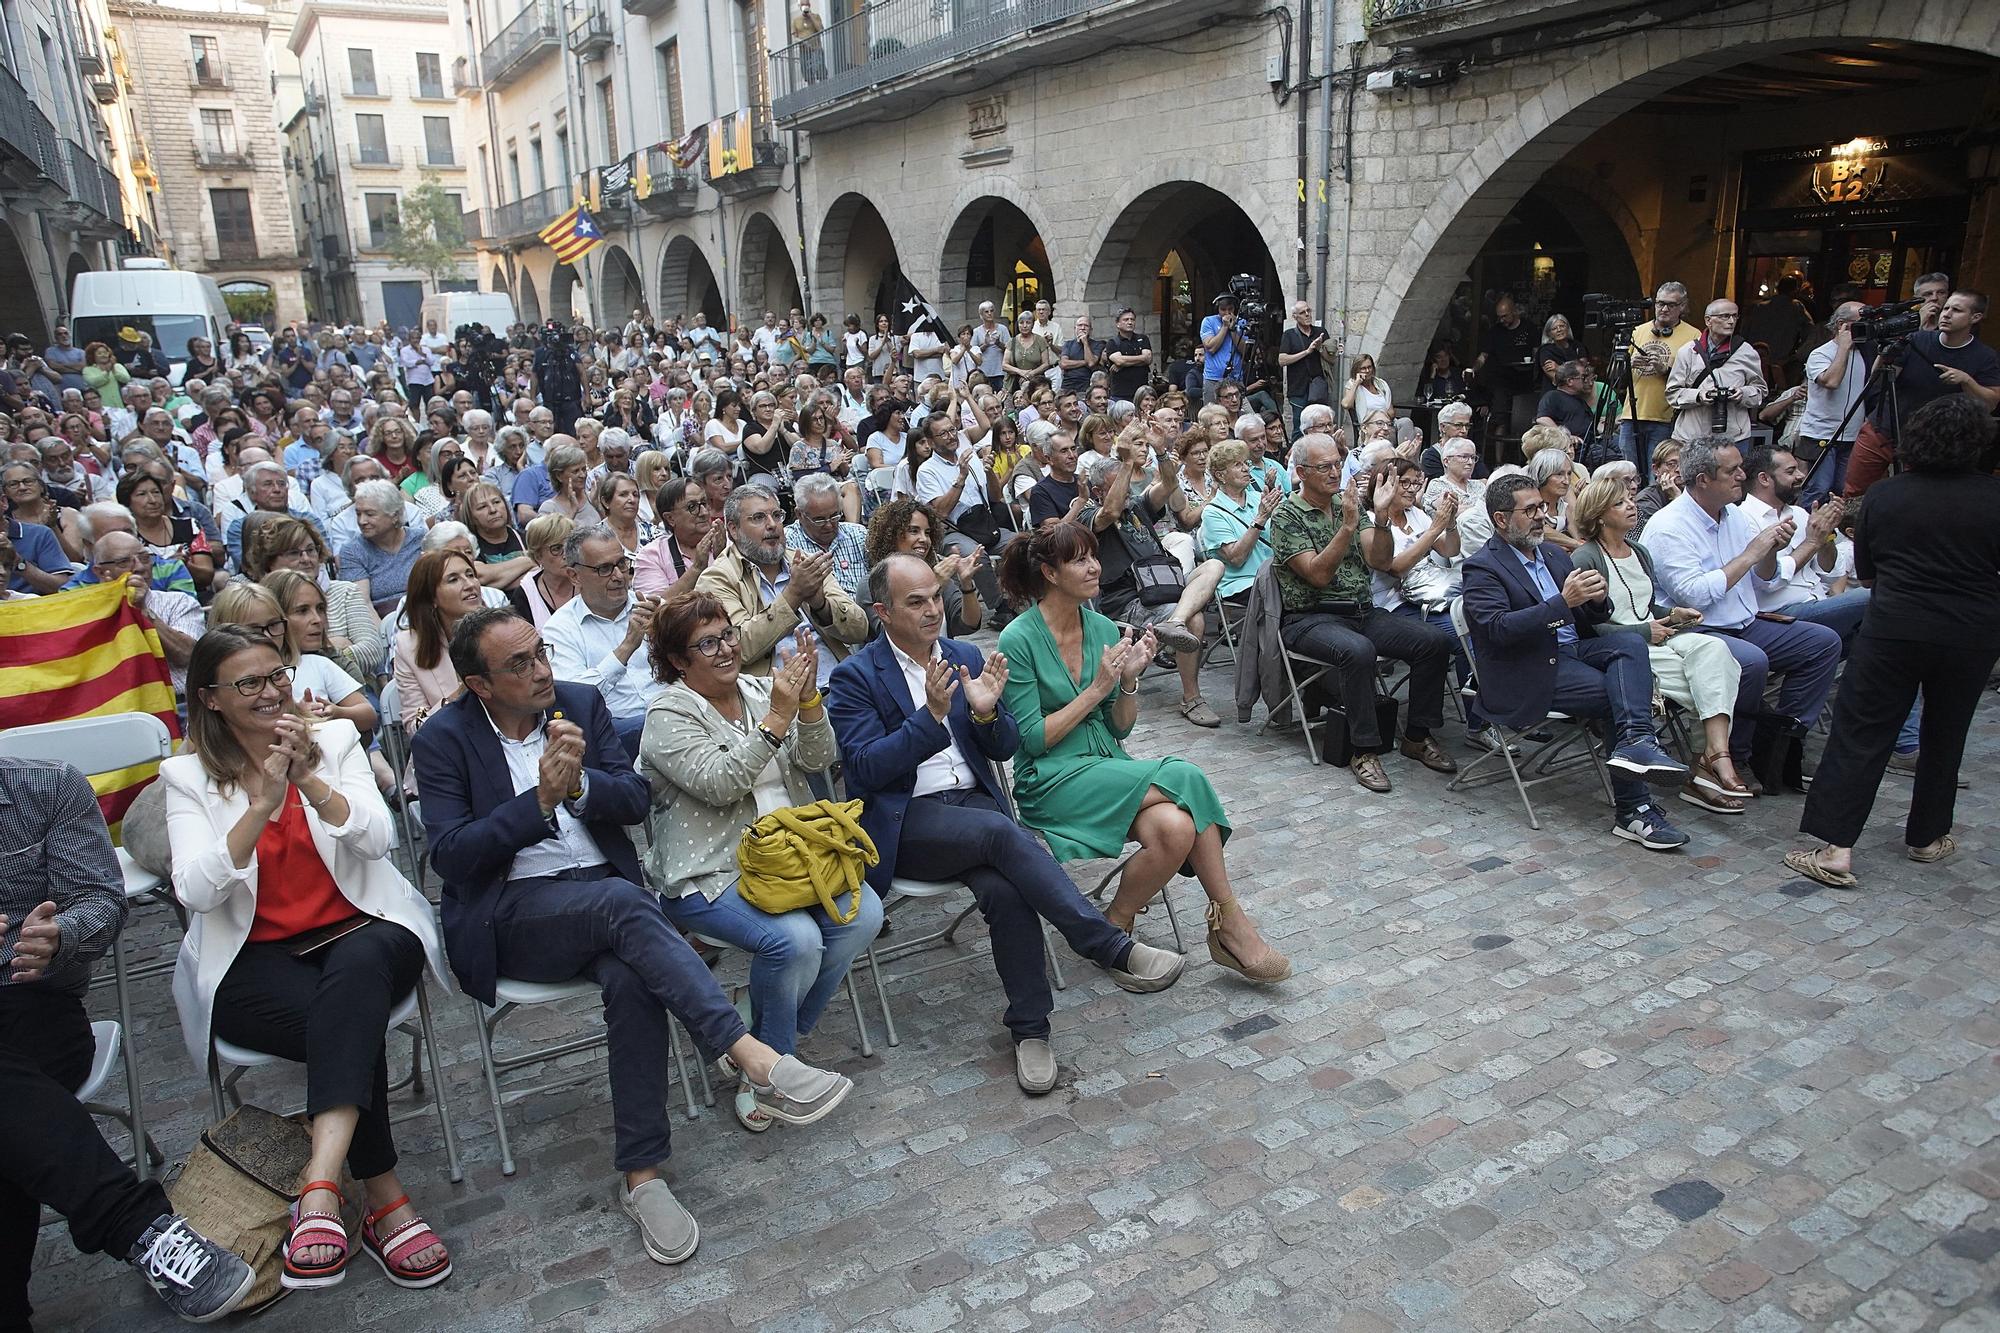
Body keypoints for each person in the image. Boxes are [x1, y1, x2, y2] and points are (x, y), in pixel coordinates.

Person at [412, 607, 854, 1266]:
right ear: (480, 685)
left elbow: (635, 799)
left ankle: (643, 1177)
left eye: (540, 653)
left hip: (605, 900)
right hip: (512, 912)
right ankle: (752, 1054)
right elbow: (450, 856)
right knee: (626, 905)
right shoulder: (443, 739)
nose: (542, 671)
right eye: (520, 664)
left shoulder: (579, 704)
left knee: (632, 975)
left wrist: (581, 785)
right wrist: (537, 801)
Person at [161, 628, 452, 1292]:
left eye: (277, 676)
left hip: (366, 927)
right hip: (256, 956)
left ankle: (319, 1186)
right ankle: (381, 1198)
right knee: (348, 1020)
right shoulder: (187, 777)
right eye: (249, 683)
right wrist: (260, 804)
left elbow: (378, 841)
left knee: (354, 983)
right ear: (209, 699)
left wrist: (310, 782)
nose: (270, 692)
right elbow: (197, 890)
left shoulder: (337, 740)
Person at [828, 553, 1185, 1092]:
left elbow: (1005, 747)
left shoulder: (964, 655)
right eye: (915, 602)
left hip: (974, 811)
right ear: (881, 611)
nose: (933, 611)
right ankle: (1105, 945)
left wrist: (988, 713)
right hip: (905, 824)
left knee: (1006, 887)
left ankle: (1030, 1031)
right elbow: (862, 769)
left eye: (934, 596)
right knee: (1002, 834)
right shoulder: (855, 677)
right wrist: (929, 719)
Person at [0, 755, 260, 1326]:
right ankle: (141, 1229)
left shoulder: (40, 788)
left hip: (30, 1005)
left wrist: (60, 935)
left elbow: (101, 902)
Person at [638, 605, 883, 1130]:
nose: (726, 648)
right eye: (707, 643)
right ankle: (770, 1071)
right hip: (710, 872)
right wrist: (777, 718)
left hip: (792, 861)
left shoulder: (757, 690)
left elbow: (819, 761)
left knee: (865, 915)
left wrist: (811, 702)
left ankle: (761, 1039)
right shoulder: (668, 715)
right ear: (679, 661)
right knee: (794, 941)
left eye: (728, 635)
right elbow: (721, 783)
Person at [1784, 397, 2000, 887]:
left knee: (1862, 730)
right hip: (1970, 631)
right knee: (1946, 733)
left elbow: (1868, 571)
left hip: (1896, 627)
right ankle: (1926, 836)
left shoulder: (1885, 496)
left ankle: (1837, 847)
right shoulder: (1993, 496)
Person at [1460, 474, 1692, 849]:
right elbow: (1498, 630)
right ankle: (1634, 810)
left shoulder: (1552, 554)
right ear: (1501, 520)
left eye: (1543, 507)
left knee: (1631, 646)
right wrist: (1562, 603)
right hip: (1526, 667)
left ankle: (1636, 742)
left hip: (1570, 651)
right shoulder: (1482, 567)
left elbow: (1592, 619)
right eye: (1531, 510)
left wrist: (1597, 599)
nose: (1543, 516)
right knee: (1616, 693)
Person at [1639, 439, 1843, 794]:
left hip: (1748, 623)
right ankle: (1735, 755)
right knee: (1752, 662)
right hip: (1699, 631)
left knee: (1823, 643)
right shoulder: (1668, 525)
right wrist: (1752, 554)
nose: (1742, 476)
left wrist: (1771, 551)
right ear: (1703, 479)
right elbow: (1695, 595)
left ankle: (1780, 737)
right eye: (1732, 470)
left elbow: (1769, 576)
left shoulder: (1734, 516)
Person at [1267, 434, 1459, 792]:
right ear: (1301, 472)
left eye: (1338, 464)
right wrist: (1347, 528)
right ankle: (1364, 749)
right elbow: (1318, 575)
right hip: (1309, 617)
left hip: (1361, 610)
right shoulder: (1287, 515)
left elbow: (1381, 560)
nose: (1335, 472)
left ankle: (1417, 735)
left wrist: (1382, 517)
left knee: (1434, 641)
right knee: (1358, 651)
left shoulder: (1348, 501)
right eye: (1324, 467)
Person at [1570, 478, 1750, 814]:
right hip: (1623, 651)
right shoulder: (1586, 556)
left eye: (1631, 499)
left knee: (1714, 652)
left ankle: (1714, 754)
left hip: (1658, 637)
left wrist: (1673, 614)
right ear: (1599, 514)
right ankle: (1705, 769)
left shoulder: (1639, 551)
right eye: (1620, 503)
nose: (1631, 506)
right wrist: (1643, 632)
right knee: (1710, 683)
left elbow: (1644, 604)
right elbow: (1587, 627)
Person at [694, 485, 869, 683]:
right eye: (758, 518)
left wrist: (821, 604)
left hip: (840, 683)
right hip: (777, 698)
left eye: (777, 515)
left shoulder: (805, 563)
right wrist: (793, 595)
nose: (772, 525)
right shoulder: (717, 579)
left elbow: (859, 630)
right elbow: (737, 648)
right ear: (733, 529)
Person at [1844, 290, 2000, 500]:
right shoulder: (1917, 339)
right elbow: (1878, 378)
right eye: (1946, 308)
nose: (1946, 314)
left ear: (1976, 317)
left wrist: (1967, 381)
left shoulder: (1985, 356)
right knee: (1853, 493)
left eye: (1956, 310)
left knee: (1913, 498)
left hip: (1929, 442)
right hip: (1883, 428)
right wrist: (1886, 352)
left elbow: (1990, 403)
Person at [210, 581, 379, 730]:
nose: (267, 636)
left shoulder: (317, 664)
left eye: (274, 625)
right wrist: (298, 714)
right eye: (253, 630)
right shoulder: (221, 685)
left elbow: (369, 716)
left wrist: (335, 712)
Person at [863, 496, 983, 636]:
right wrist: (934, 584)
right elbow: (892, 636)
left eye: (927, 533)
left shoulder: (939, 574)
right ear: (891, 536)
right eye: (914, 531)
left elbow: (970, 624)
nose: (924, 539)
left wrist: (966, 584)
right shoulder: (870, 584)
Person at [394, 549, 486, 732]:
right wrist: (458, 697)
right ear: (431, 597)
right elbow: (415, 728)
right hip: (449, 748)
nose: (470, 585)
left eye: (470, 574)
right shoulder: (409, 646)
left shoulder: (503, 631)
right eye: (453, 579)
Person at [1794, 302, 1868, 506]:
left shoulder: (1863, 353)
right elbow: (1832, 381)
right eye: (1861, 323)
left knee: (1843, 491)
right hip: (1822, 435)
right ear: (1842, 325)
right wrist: (1843, 346)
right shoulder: (1820, 354)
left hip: (1852, 435)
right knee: (1818, 489)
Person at [1666, 300, 1765, 447]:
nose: (1731, 321)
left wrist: (1741, 393)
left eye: (1734, 316)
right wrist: (1699, 396)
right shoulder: (1687, 351)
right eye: (1725, 316)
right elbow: (1672, 393)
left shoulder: (1746, 351)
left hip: (1733, 437)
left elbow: (1760, 391)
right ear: (1708, 320)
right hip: (1692, 436)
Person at [340, 478, 427, 616]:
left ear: (395, 515)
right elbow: (362, 605)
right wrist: (384, 635)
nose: (362, 521)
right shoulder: (352, 551)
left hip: (426, 614)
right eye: (358, 514)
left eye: (370, 514)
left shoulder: (422, 540)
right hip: (381, 621)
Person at [783, 472, 869, 603]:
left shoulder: (858, 534)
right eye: (819, 520)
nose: (829, 525)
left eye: (835, 516)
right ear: (799, 514)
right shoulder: (787, 543)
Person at [634, 477, 723, 598]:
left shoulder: (727, 542)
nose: (704, 513)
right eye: (692, 507)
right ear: (670, 518)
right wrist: (696, 569)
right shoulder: (652, 556)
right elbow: (655, 609)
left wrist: (723, 558)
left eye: (704, 503)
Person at [1198, 294, 1246, 403]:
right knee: (1212, 414)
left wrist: (1233, 329)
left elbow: (1244, 350)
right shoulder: (1208, 321)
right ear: (1217, 309)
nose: (1227, 313)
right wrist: (1225, 327)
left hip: (1236, 378)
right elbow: (1211, 347)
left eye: (1230, 309)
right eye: (1223, 310)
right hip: (1214, 378)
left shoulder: (1241, 323)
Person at [1632, 439, 1681, 533]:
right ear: (1656, 469)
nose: (1678, 469)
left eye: (1683, 464)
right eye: (1672, 464)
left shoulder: (1692, 490)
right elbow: (1663, 532)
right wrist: (1676, 498)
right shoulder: (1645, 499)